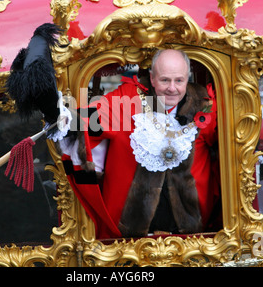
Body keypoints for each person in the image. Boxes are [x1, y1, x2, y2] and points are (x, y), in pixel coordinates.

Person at [59, 49, 217, 238]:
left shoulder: (205, 105)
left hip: (193, 232)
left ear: (187, 77)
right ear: (151, 78)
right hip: (130, 233)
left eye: (179, 80)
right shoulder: (128, 100)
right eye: (165, 80)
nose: (172, 88)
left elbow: (230, 148)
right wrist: (61, 117)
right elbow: (89, 119)